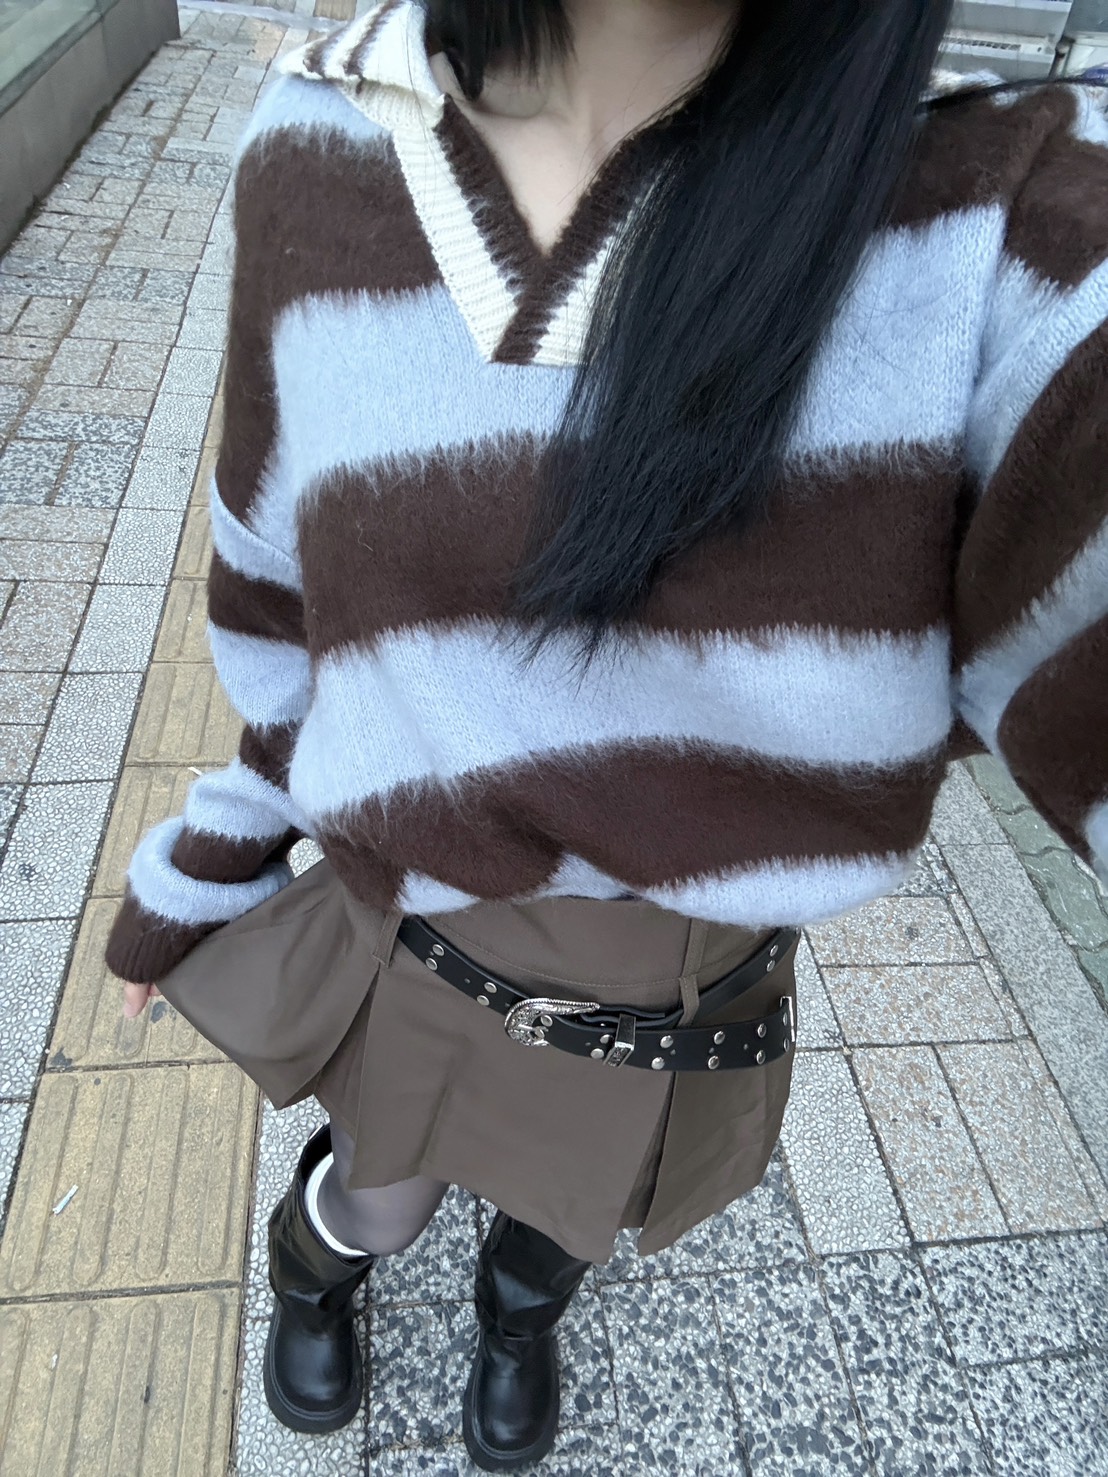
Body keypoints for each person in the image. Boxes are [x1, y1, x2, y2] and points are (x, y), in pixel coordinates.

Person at [106, 0, 1108, 1468]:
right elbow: (283, 604)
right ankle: (315, 1267)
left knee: (570, 1215)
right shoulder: (318, 146)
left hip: (687, 984)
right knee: (381, 1197)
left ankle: (517, 1321)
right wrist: (208, 864)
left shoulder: (989, 208)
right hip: (432, 941)